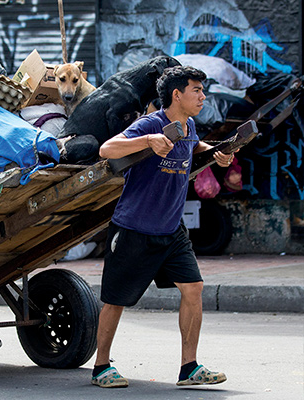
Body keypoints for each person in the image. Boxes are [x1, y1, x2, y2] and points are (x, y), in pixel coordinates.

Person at [92, 66, 233, 388]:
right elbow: (107, 149)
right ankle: (101, 367)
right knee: (116, 300)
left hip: (171, 230)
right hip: (134, 228)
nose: (203, 96)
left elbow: (193, 144)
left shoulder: (189, 125)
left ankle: (189, 368)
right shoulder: (152, 124)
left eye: (202, 90)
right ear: (177, 94)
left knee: (193, 288)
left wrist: (216, 153)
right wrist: (149, 140)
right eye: (196, 90)